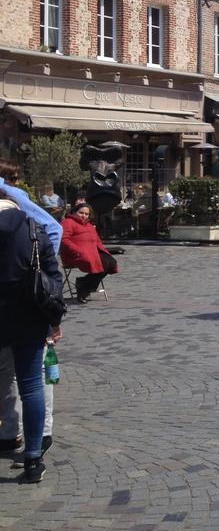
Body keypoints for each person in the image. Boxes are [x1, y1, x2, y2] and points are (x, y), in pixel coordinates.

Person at [0, 187, 64, 483]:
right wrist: (54, 319)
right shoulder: (32, 226)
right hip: (27, 316)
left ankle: (8, 433)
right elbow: (52, 274)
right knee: (32, 387)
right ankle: (33, 457)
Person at [60, 203, 118, 304]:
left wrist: (104, 252)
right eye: (81, 213)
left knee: (111, 262)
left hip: (92, 252)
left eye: (86, 214)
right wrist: (78, 251)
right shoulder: (68, 222)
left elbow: (97, 241)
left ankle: (83, 284)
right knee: (101, 263)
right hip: (75, 254)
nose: (84, 216)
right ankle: (84, 289)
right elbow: (64, 240)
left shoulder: (89, 225)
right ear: (74, 212)